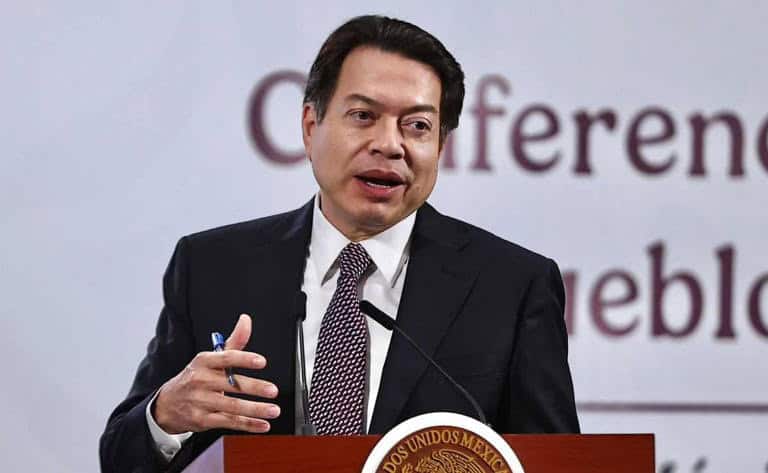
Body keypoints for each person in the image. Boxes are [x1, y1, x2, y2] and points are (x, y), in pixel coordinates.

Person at [99, 15, 579, 473]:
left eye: (417, 125)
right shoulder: (213, 267)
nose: (389, 144)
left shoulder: (511, 286)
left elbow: (559, 463)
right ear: (311, 127)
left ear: (440, 146)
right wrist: (167, 415)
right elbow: (120, 459)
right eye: (363, 116)